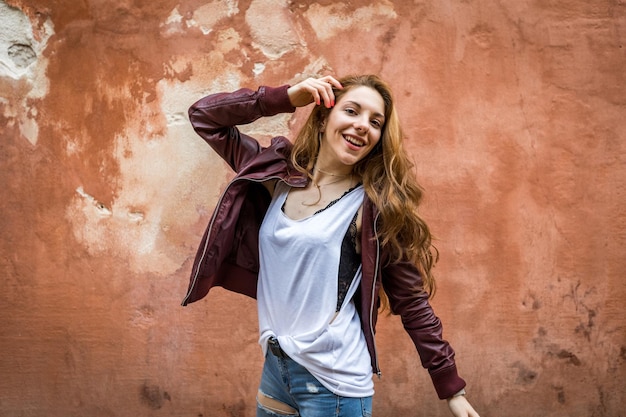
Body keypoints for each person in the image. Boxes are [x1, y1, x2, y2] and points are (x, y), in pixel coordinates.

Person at [182, 74, 480, 417]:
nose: (362, 126)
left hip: (335, 385)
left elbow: (411, 301)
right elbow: (204, 117)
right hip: (277, 369)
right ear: (324, 118)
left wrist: (450, 387)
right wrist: (285, 97)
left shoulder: (371, 209)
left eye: (375, 122)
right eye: (351, 111)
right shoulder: (276, 174)